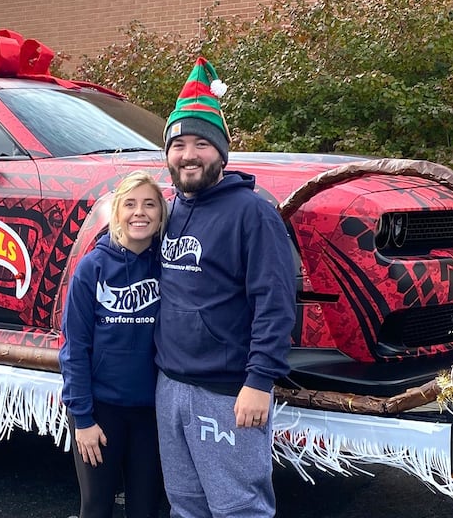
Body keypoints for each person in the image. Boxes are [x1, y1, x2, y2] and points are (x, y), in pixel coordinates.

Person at [154, 57, 297, 517]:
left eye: (201, 144)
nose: (188, 155)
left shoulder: (253, 214)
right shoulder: (167, 211)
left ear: (221, 153)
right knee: (186, 504)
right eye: (178, 144)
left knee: (239, 507)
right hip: (169, 384)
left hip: (227, 390)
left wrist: (260, 381)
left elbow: (274, 303)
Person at [59, 170, 168, 518]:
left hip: (151, 413)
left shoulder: (168, 268)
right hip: (100, 412)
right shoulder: (92, 267)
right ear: (117, 212)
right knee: (96, 506)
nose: (140, 212)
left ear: (161, 214)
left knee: (147, 508)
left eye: (150, 204)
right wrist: (83, 419)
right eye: (131, 204)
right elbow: (74, 349)